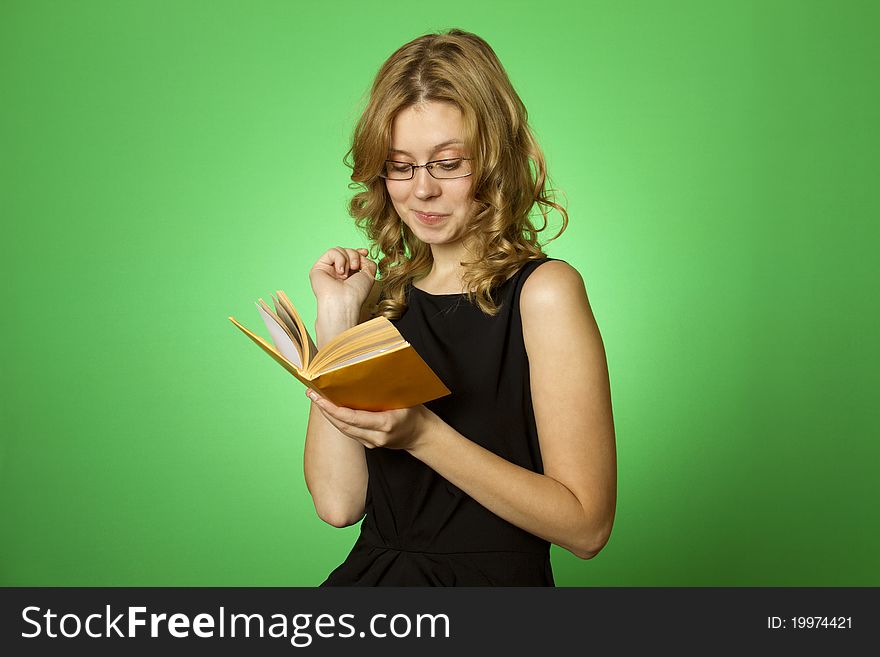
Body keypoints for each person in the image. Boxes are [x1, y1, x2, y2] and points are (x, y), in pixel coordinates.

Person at [302, 28, 616, 586]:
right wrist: (338, 323)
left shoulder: (544, 292)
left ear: (496, 160)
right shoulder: (382, 300)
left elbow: (587, 528)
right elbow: (338, 504)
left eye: (448, 164)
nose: (421, 190)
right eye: (401, 166)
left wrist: (422, 434)